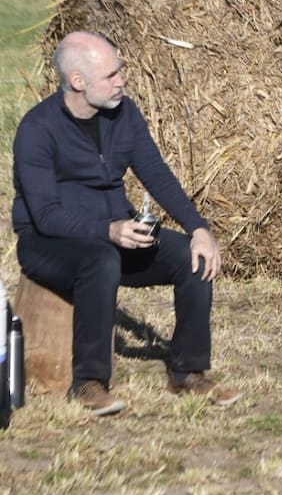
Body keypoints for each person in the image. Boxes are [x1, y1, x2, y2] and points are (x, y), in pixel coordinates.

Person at [11, 31, 240, 416]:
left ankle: (188, 372)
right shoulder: (37, 129)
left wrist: (198, 229)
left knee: (189, 257)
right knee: (100, 258)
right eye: (111, 75)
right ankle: (88, 383)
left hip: (112, 232)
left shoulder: (124, 114)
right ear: (78, 82)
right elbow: (46, 215)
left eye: (121, 71)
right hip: (47, 242)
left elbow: (156, 174)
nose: (122, 81)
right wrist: (109, 231)